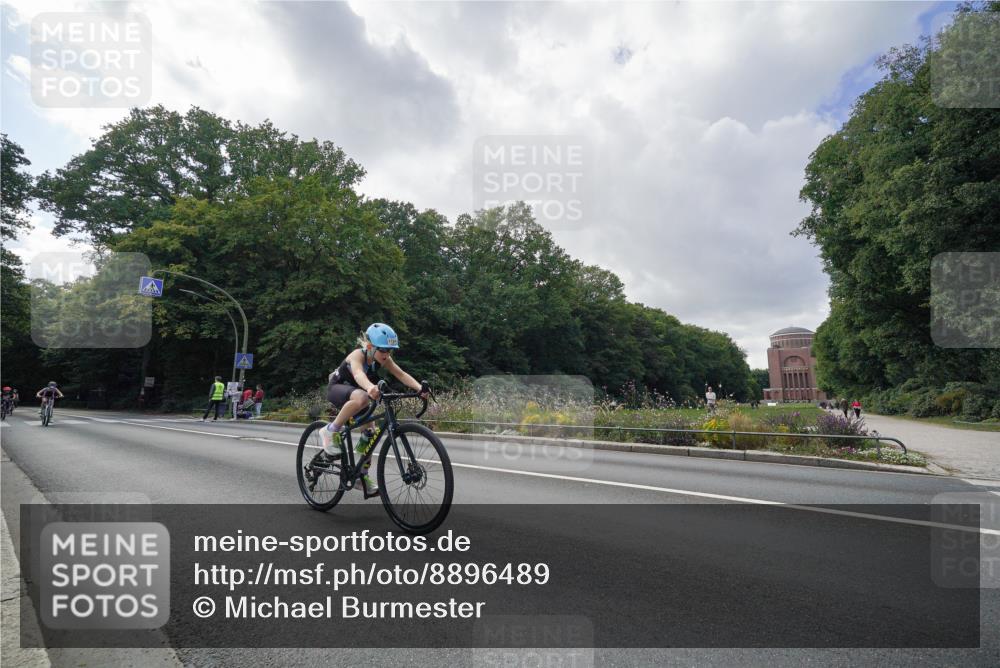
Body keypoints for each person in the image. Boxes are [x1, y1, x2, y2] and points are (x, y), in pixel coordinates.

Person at [317, 323, 429, 493]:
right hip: (338, 389)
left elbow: (401, 374)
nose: (387, 354)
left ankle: (360, 476)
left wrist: (419, 388)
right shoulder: (357, 355)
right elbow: (358, 374)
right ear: (370, 346)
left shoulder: (384, 359)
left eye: (390, 350)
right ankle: (330, 430)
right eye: (383, 350)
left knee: (371, 434)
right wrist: (370, 388)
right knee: (363, 397)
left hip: (358, 396)